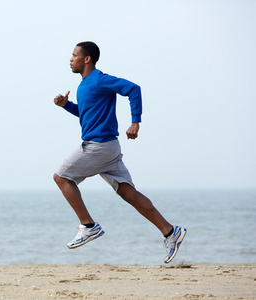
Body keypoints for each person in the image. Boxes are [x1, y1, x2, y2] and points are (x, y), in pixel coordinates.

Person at [53, 41, 186, 264]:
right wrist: (67, 105)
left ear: (87, 59)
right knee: (128, 193)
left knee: (61, 177)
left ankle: (88, 226)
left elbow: (133, 89)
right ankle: (171, 232)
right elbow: (87, 115)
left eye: (74, 55)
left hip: (98, 146)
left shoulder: (100, 79)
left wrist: (136, 122)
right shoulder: (84, 85)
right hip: (109, 148)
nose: (70, 59)